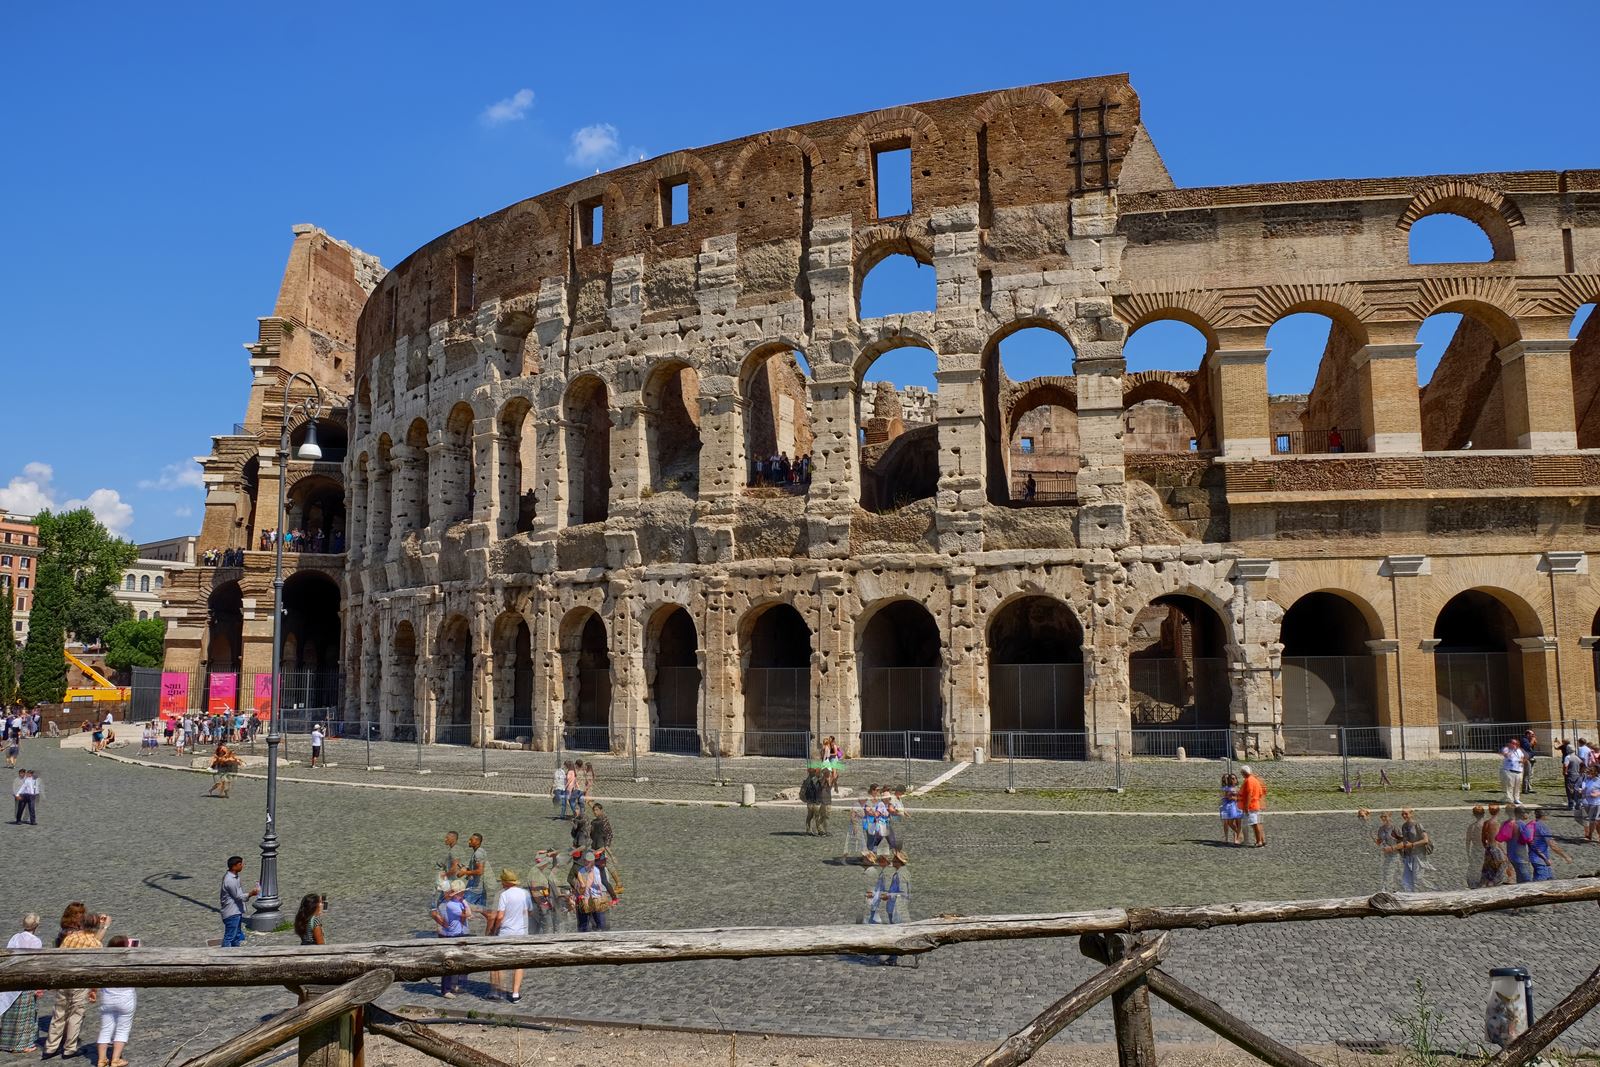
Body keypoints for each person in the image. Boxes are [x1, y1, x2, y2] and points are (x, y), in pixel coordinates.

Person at [42, 908, 108, 1060]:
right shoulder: (96, 944)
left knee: (59, 1013)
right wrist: (94, 990)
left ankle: (50, 1047)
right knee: (75, 1015)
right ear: (96, 927)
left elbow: (59, 958)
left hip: (64, 979)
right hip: (80, 982)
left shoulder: (71, 937)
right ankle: (69, 1048)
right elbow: (95, 970)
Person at [0, 914, 43, 1054]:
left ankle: (6, 1042)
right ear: (36, 926)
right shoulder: (36, 941)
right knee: (25, 1015)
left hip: (13, 978)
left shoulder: (15, 937)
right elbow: (35, 963)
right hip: (26, 981)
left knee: (10, 1012)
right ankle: (21, 1044)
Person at [95, 936, 136, 1067]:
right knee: (123, 1029)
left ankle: (102, 1059)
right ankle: (115, 1059)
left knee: (105, 1029)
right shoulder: (129, 961)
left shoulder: (104, 961)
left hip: (108, 998)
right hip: (126, 998)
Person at [494, 870, 532, 1003]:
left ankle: (499, 991)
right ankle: (515, 993)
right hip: (521, 932)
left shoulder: (504, 895)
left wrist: (495, 928)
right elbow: (529, 912)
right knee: (519, 964)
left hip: (506, 932)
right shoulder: (525, 893)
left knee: (500, 962)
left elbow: (500, 916)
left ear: (505, 882)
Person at [429, 880, 470, 998]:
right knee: (448, 961)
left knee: (459, 959)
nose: (448, 893)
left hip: (455, 931)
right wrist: (444, 924)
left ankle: (455, 984)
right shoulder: (444, 901)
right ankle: (447, 988)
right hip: (448, 933)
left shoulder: (453, 901)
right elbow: (433, 913)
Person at [571, 850, 615, 932]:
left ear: (592, 861)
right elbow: (578, 886)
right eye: (585, 861)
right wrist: (575, 896)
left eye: (588, 861)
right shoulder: (582, 871)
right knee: (584, 925)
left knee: (599, 924)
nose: (586, 862)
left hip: (594, 899)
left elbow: (598, 886)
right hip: (586, 899)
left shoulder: (595, 871)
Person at [220, 855, 258, 947]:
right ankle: (225, 956)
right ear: (234, 866)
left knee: (236, 936)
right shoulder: (230, 881)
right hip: (231, 913)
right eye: (240, 864)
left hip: (236, 911)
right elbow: (238, 896)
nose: (242, 866)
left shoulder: (235, 877)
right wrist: (251, 894)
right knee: (230, 937)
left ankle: (236, 953)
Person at [1395, 810, 1433, 892]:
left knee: (1418, 878)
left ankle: (1429, 893)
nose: (1404, 816)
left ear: (1411, 814)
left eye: (1406, 814)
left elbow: (1425, 840)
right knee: (1406, 880)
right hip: (1408, 856)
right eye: (1402, 814)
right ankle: (1411, 897)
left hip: (1418, 855)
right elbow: (1405, 840)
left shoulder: (1417, 825)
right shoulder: (1404, 826)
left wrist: (1412, 844)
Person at [1498, 807, 1534, 883]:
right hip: (1521, 856)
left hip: (1511, 855)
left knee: (1519, 878)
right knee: (1526, 880)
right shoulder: (1521, 824)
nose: (1527, 815)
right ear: (1521, 814)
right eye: (1526, 813)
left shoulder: (1508, 823)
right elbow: (1529, 839)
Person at [1238, 765, 1267, 847]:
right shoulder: (1254, 780)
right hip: (1256, 804)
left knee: (1254, 824)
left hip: (1251, 806)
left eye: (1242, 773)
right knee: (1255, 823)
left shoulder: (1249, 781)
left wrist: (1246, 807)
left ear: (1244, 772)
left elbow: (1249, 795)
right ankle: (1260, 840)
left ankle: (1259, 841)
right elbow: (1260, 793)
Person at [435, 831, 461, 907]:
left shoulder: (454, 851)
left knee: (440, 905)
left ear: (453, 838)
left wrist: (444, 875)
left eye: (447, 838)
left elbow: (454, 867)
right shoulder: (454, 850)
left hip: (451, 883)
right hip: (452, 882)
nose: (445, 839)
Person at [1464, 805, 1487, 888]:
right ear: (1484, 814)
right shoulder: (1486, 825)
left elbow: (1467, 842)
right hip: (1484, 849)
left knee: (1474, 868)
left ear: (1474, 815)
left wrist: (1468, 854)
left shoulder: (1471, 827)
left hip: (1475, 850)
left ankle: (1474, 884)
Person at [1499, 738, 1526, 807]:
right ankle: (1509, 799)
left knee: (1517, 786)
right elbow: (1506, 755)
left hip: (1519, 770)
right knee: (1509, 786)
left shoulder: (1519, 750)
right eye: (1512, 743)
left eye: (1515, 743)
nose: (1514, 745)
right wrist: (1512, 750)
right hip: (1509, 770)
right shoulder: (1506, 749)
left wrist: (1522, 761)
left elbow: (1523, 758)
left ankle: (1516, 798)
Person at [1219, 774, 1243, 845]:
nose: (1232, 780)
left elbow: (1240, 797)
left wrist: (1235, 797)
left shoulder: (1238, 788)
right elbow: (1226, 796)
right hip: (1229, 806)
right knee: (1228, 822)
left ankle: (1237, 838)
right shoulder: (1226, 788)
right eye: (1230, 779)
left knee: (1237, 822)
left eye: (1233, 778)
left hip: (1237, 806)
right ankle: (1235, 835)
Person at [801, 768, 822, 835]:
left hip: (809, 802)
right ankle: (819, 830)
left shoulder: (806, 781)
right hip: (816, 802)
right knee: (817, 817)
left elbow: (803, 792)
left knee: (809, 816)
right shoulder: (817, 780)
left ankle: (808, 830)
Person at [1521, 729, 1539, 795]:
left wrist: (1534, 741)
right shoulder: (1524, 740)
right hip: (1526, 758)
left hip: (1531, 757)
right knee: (1527, 774)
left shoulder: (1529, 739)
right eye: (1532, 734)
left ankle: (1529, 788)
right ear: (1528, 734)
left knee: (1531, 774)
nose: (1533, 736)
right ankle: (1524, 789)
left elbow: (1532, 746)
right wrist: (1532, 741)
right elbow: (1527, 747)